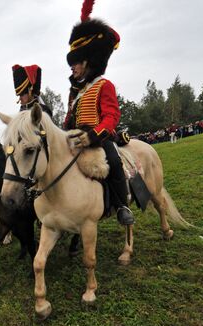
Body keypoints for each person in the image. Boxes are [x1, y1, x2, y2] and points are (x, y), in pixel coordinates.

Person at [63, 0, 134, 226]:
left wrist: (93, 135)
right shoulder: (76, 92)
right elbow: (68, 120)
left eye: (75, 63)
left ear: (87, 61)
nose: (72, 68)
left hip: (99, 137)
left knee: (113, 160)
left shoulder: (105, 85)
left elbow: (112, 117)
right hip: (76, 138)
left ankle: (122, 205)